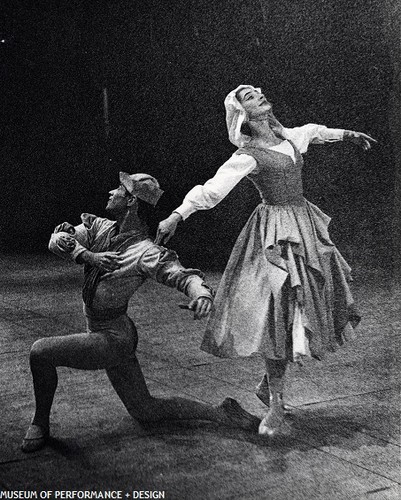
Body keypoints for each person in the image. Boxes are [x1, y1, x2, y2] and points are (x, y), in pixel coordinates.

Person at [156, 85, 376, 437]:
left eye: (257, 91)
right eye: (248, 95)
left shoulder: (288, 137)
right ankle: (275, 405)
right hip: (275, 234)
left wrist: (348, 135)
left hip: (303, 226)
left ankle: (267, 388)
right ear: (243, 113)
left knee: (297, 312)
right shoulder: (248, 153)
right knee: (280, 311)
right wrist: (177, 215)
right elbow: (211, 190)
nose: (258, 94)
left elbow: (316, 132)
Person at [21, 171, 260, 453]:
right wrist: (87, 255)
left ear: (132, 200)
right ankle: (221, 412)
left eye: (118, 189)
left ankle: (40, 422)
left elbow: (181, 275)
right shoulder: (101, 228)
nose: (111, 192)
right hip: (111, 329)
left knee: (40, 352)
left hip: (112, 337)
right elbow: (58, 239)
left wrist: (202, 295)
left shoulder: (145, 251)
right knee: (145, 410)